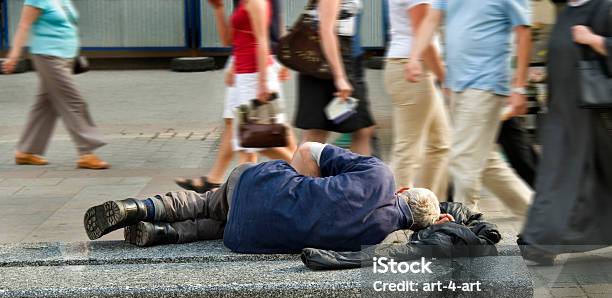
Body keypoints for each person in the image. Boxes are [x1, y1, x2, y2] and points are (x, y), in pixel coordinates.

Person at [84, 143, 453, 253]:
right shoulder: (375, 240)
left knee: (208, 201)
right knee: (227, 222)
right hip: (244, 239)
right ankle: (159, 234)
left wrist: (301, 184)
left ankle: (139, 208)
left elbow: (309, 148)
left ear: (404, 190)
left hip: (253, 185)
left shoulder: (379, 174)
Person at [406, 0, 534, 219]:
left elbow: (523, 32)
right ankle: (541, 218)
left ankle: (465, 233)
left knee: (463, 162)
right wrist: (414, 56)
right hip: (457, 85)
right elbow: (432, 18)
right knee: (484, 163)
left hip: (486, 83)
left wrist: (520, 86)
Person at [519, 0, 612, 264]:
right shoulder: (567, 11)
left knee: (585, 178)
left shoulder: (604, 7)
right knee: (556, 175)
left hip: (594, 114)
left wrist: (594, 40)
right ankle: (540, 242)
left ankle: (542, 241)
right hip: (563, 113)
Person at [176, 0, 293, 193]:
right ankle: (245, 196)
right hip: (244, 76)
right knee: (248, 145)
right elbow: (228, 40)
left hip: (255, 76)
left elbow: (262, 41)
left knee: (256, 141)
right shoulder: (242, 3)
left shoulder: (256, 3)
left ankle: (310, 174)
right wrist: (218, 9)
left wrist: (263, 83)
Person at [2, 0, 109, 169]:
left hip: (64, 58)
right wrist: (14, 56)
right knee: (74, 101)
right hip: (48, 57)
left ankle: (26, 151)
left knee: (45, 105)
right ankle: (86, 151)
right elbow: (24, 25)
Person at [384, 0, 450, 199]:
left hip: (415, 68)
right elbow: (424, 33)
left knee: (440, 144)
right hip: (412, 69)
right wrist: (446, 79)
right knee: (408, 151)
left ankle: (427, 209)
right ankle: (394, 214)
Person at [295, 0, 376, 155]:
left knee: (360, 129)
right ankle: (360, 177)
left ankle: (358, 177)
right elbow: (326, 29)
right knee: (316, 136)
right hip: (329, 60)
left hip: (335, 58)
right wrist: (339, 76)